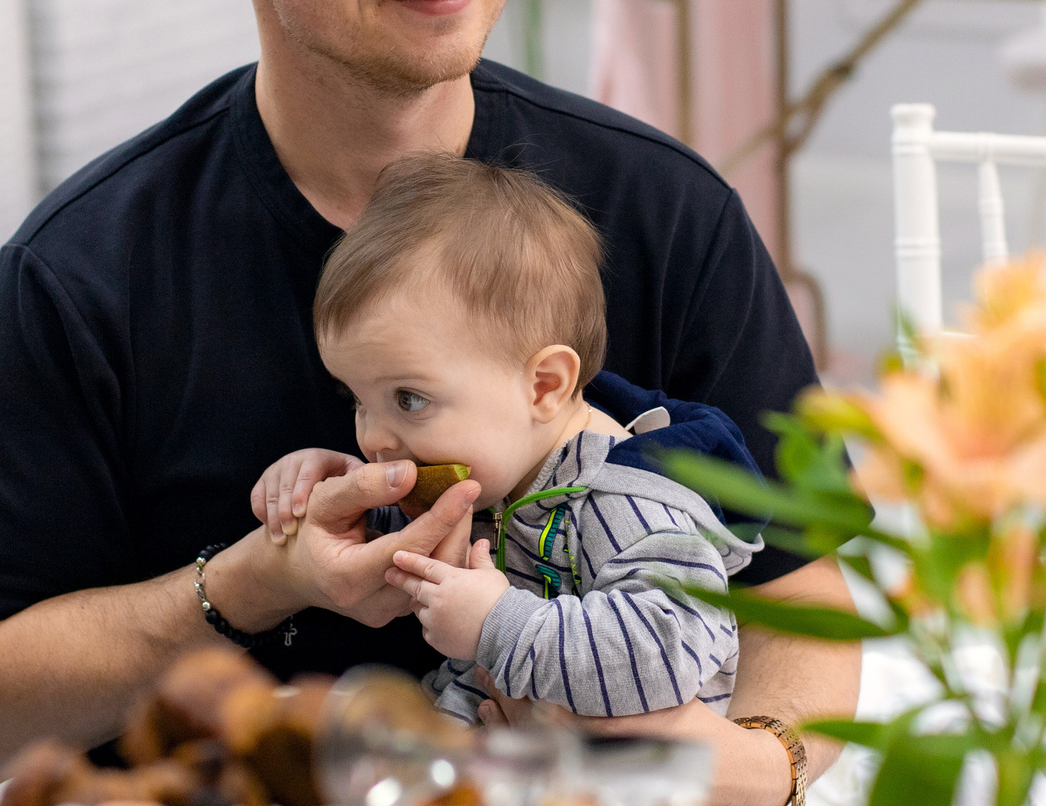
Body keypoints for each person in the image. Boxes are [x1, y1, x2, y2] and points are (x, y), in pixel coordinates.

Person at [0, 0, 856, 806]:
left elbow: (798, 598)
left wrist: (753, 773)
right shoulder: (84, 273)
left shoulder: (665, 209)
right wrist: (248, 585)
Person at [257, 152, 756, 724]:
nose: (374, 438)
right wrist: (336, 495)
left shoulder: (632, 502)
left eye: (409, 399)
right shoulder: (501, 466)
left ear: (544, 386)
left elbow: (669, 652)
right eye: (357, 401)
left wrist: (497, 623)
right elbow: (405, 548)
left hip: (620, 796)